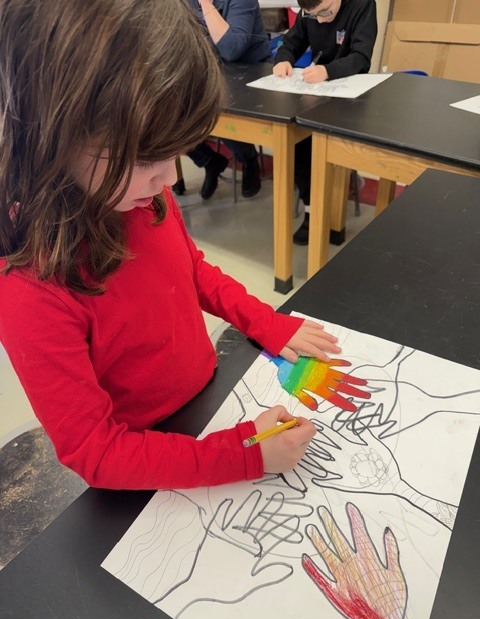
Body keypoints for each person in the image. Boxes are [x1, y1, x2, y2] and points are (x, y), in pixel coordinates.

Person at [0, 0, 342, 491]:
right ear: (50, 135)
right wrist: (244, 454)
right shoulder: (30, 285)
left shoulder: (140, 196)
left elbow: (193, 271)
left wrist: (266, 322)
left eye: (174, 152)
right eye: (145, 158)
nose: (168, 177)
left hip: (206, 403)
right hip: (148, 465)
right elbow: (94, 450)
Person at [273, 0, 377, 244]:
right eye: (312, 16)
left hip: (350, 92)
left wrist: (328, 71)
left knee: (331, 146)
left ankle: (334, 210)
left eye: (325, 13)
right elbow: (291, 42)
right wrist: (283, 59)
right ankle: (312, 210)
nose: (319, 20)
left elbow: (361, 57)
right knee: (297, 141)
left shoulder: (362, 5)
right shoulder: (312, 10)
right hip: (317, 91)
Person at [174, 0, 272, 201]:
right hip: (213, 72)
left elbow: (231, 48)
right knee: (170, 116)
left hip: (251, 75)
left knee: (219, 110)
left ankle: (249, 160)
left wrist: (206, 5)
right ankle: (209, 161)